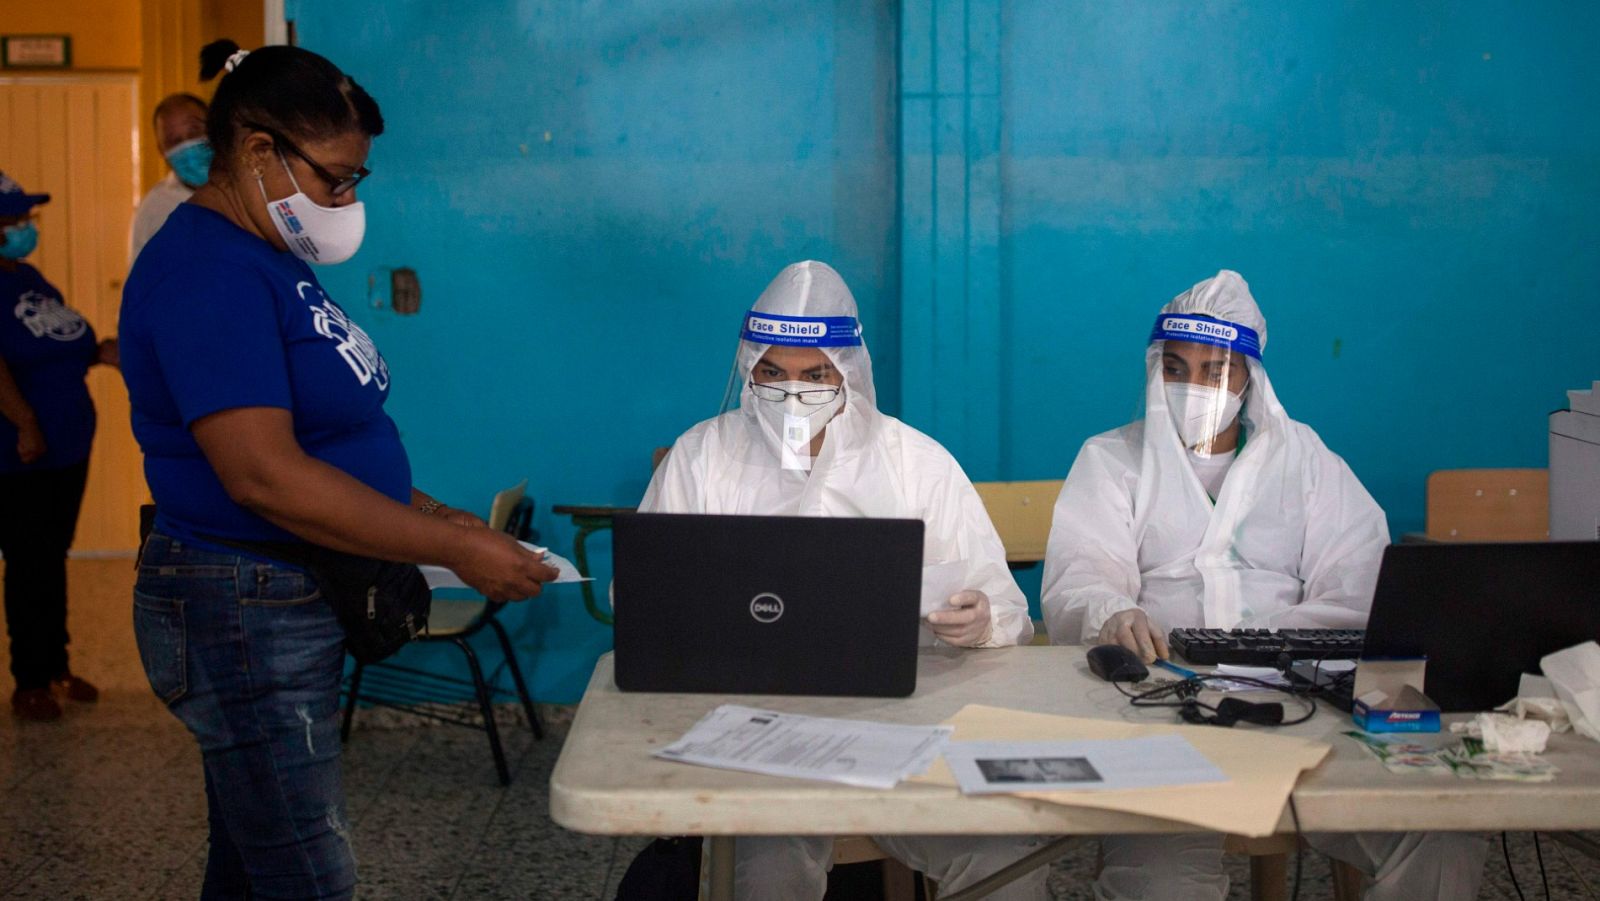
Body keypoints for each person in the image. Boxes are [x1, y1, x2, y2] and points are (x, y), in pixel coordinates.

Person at [118, 40, 557, 898]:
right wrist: (449, 548)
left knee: (252, 864)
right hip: (241, 598)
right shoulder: (205, 270)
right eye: (335, 177)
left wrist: (433, 512)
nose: (348, 199)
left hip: (281, 588)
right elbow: (265, 477)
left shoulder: (268, 258)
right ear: (256, 151)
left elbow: (326, 432)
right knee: (306, 874)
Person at [1041, 270, 1487, 900]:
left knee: (1436, 835)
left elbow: (1363, 583)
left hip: (1301, 704)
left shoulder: (1305, 461)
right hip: (1161, 704)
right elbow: (1081, 575)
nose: (1194, 387)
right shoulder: (1111, 459)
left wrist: (1271, 650)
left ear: (1251, 378)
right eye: (1175, 367)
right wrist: (1113, 612)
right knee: (1162, 881)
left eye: (1215, 370)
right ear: (1153, 371)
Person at [638, 260, 1043, 900]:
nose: (792, 393)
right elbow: (643, 596)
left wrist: (981, 617)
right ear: (749, 368)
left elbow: (1004, 606)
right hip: (755, 729)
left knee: (1005, 854)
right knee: (771, 853)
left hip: (905, 725)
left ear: (847, 373)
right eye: (773, 373)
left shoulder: (917, 463)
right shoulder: (703, 455)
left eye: (814, 375)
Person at [0, 171, 116, 722]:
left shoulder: (28, 277)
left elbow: (53, 342)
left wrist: (99, 352)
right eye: (14, 220)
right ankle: (29, 679)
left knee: (50, 557)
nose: (25, 228)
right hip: (21, 453)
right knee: (28, 562)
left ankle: (57, 666)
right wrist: (25, 423)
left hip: (66, 447)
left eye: (26, 217)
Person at [130, 93, 212, 261]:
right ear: (162, 151)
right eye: (175, 141)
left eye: (195, 131)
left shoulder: (252, 187)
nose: (188, 145)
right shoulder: (154, 210)